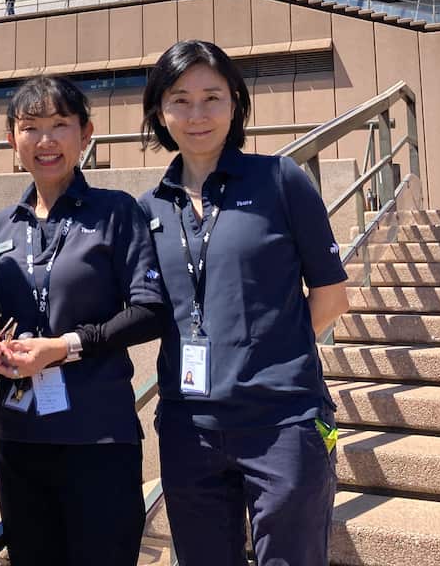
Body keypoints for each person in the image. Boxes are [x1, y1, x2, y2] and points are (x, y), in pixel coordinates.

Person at [137, 41, 349, 566]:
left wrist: (269, 355)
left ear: (236, 103)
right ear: (160, 113)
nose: (197, 114)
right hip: (190, 427)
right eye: (180, 100)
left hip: (283, 420)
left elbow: (331, 294)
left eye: (212, 97)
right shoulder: (147, 209)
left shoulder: (280, 179)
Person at [0, 75, 165, 566]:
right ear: (12, 140)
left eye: (60, 125)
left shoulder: (116, 212)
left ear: (85, 133)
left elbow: (150, 308)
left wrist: (64, 346)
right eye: (30, 127)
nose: (45, 140)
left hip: (97, 435)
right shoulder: (2, 223)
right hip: (18, 436)